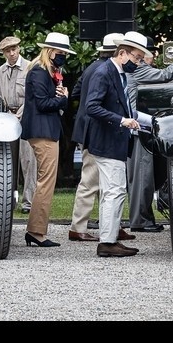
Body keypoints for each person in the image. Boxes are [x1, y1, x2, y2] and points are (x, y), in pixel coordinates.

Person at [80, 31, 148, 257]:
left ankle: (109, 239)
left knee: (113, 192)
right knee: (115, 192)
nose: (138, 63)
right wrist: (123, 120)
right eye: (137, 58)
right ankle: (108, 242)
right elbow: (92, 107)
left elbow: (124, 108)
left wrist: (144, 120)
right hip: (107, 142)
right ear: (122, 53)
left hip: (111, 141)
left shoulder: (115, 72)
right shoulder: (104, 73)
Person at [123, 40, 173, 232]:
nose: (152, 56)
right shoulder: (139, 68)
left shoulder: (131, 68)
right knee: (142, 175)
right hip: (138, 128)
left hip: (133, 127)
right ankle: (141, 220)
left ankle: (142, 218)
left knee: (139, 176)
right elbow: (164, 76)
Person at [66, 32, 123, 241]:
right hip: (94, 130)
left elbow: (75, 93)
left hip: (86, 127)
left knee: (98, 180)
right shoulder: (104, 70)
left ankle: (109, 225)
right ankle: (78, 227)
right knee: (90, 180)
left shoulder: (91, 68)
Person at [20, 31, 72, 248]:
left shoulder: (45, 72)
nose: (63, 57)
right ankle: (36, 231)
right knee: (46, 182)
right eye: (60, 52)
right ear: (49, 51)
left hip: (45, 130)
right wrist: (62, 99)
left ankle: (36, 230)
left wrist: (60, 98)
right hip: (42, 131)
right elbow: (43, 104)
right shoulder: (39, 73)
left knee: (45, 181)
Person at [0, 35, 34, 213]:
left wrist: (19, 115)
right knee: (7, 161)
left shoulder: (30, 68)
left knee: (29, 160)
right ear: (4, 53)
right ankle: (9, 201)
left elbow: (33, 95)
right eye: (8, 51)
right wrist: (7, 115)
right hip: (6, 120)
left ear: (19, 49)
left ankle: (28, 202)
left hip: (27, 117)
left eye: (14, 49)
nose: (12, 53)